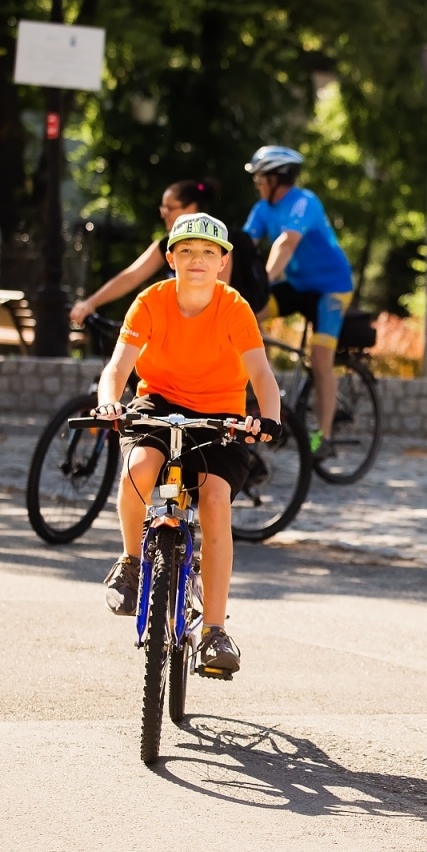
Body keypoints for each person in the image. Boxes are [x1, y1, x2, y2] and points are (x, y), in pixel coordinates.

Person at [93, 213, 283, 675]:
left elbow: (261, 374)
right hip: (157, 403)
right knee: (138, 468)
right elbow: (118, 368)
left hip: (221, 415)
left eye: (208, 253)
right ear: (170, 258)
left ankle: (214, 631)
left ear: (222, 262)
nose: (196, 260)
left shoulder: (234, 307)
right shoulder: (151, 301)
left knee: (215, 500)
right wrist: (108, 403)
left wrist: (269, 419)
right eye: (186, 251)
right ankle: (132, 561)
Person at [242, 145, 354, 461]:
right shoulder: (263, 208)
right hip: (297, 285)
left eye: (261, 178)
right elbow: (243, 245)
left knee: (321, 360)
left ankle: (324, 438)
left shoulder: (305, 202)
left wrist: (263, 280)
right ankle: (259, 393)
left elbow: (286, 243)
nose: (257, 184)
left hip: (332, 287)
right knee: (245, 315)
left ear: (278, 178)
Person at [69, 178, 268, 326]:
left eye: (170, 208)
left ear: (190, 208)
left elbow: (217, 291)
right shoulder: (167, 243)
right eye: (162, 208)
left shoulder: (217, 241)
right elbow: (132, 275)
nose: (164, 214)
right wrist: (90, 303)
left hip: (224, 328)